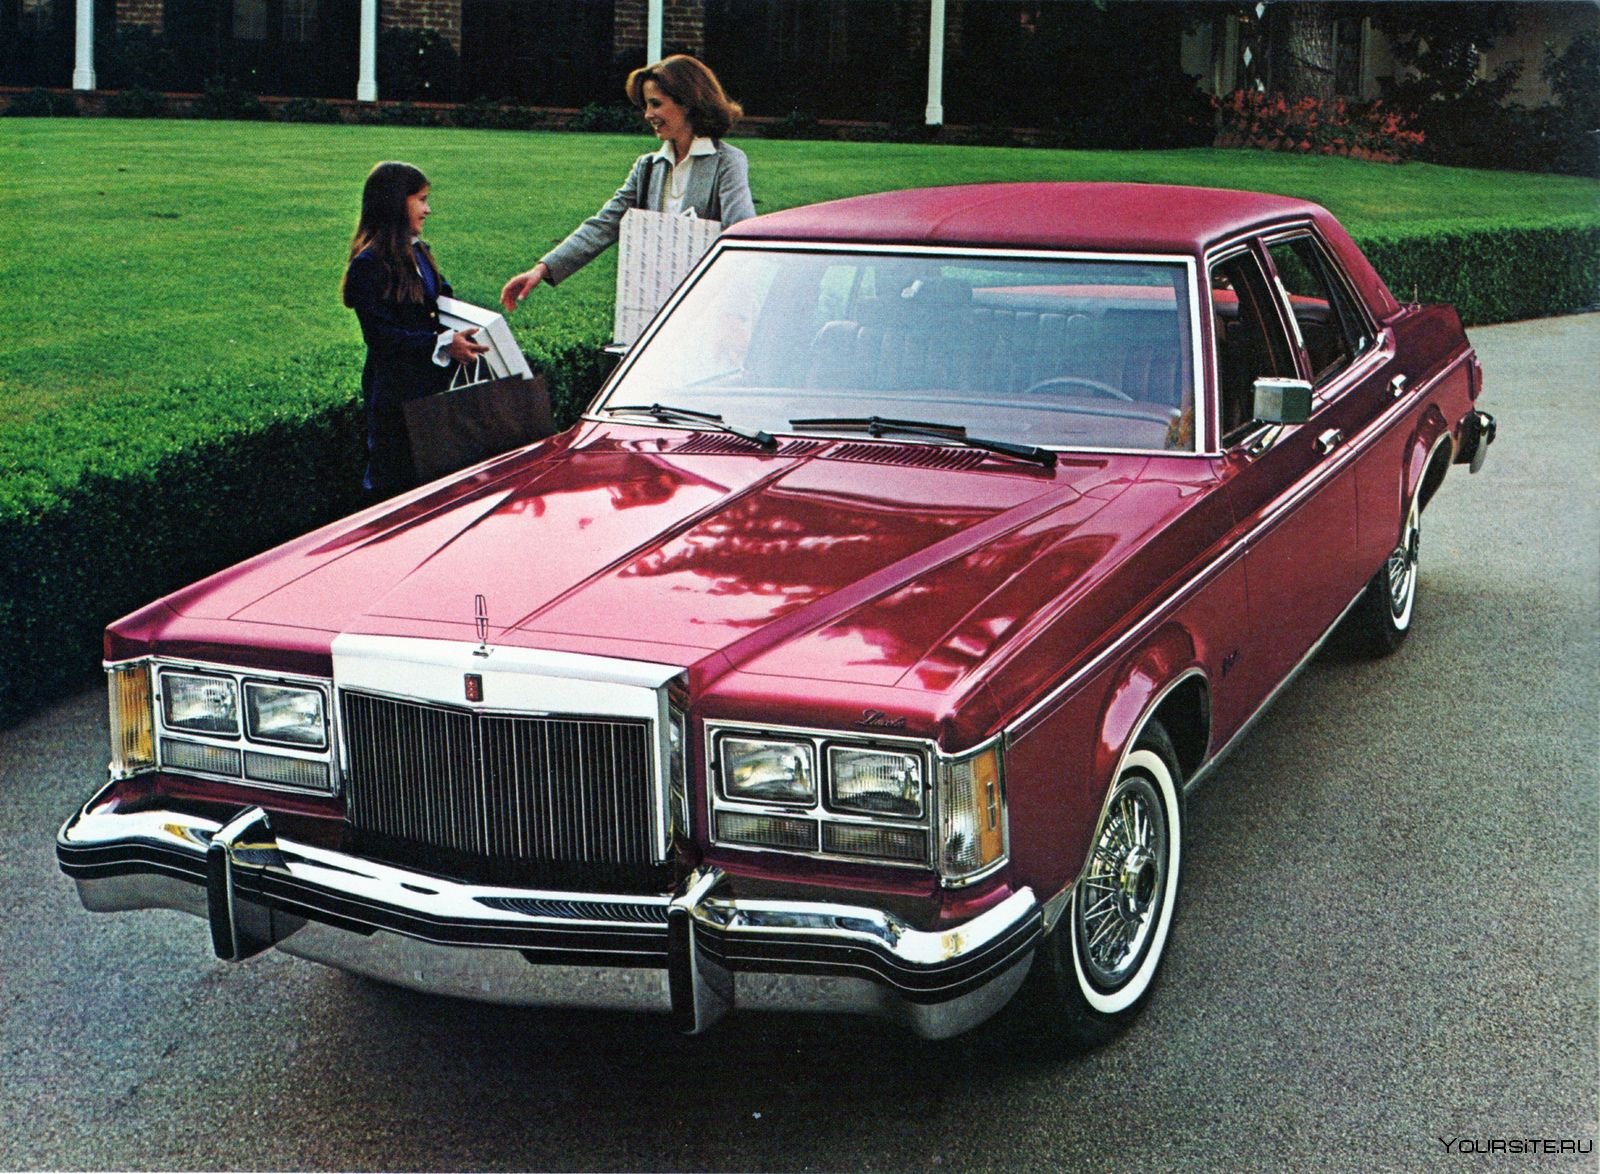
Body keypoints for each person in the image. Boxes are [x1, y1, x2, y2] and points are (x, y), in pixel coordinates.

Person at [500, 55, 755, 312]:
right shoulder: (647, 167)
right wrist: (542, 269)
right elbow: (604, 225)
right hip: (650, 300)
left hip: (707, 300)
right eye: (645, 105)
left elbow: (739, 232)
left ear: (688, 103)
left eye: (656, 104)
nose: (647, 115)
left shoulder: (727, 162)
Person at [342, 160, 488, 498]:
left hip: (431, 391)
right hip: (397, 400)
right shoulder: (369, 265)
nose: (428, 209)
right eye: (420, 200)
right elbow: (380, 337)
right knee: (395, 487)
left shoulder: (420, 252)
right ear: (396, 202)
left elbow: (441, 303)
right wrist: (441, 343)